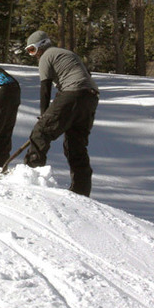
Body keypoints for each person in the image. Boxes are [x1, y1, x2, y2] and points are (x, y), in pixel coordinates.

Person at [22, 31, 99, 197]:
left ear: (42, 46)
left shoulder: (46, 57)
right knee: (75, 145)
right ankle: (81, 190)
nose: (32, 55)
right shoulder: (67, 53)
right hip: (90, 97)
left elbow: (45, 88)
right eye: (28, 51)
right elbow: (86, 74)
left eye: (32, 50)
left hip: (72, 93)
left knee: (41, 132)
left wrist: (44, 116)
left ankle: (30, 176)